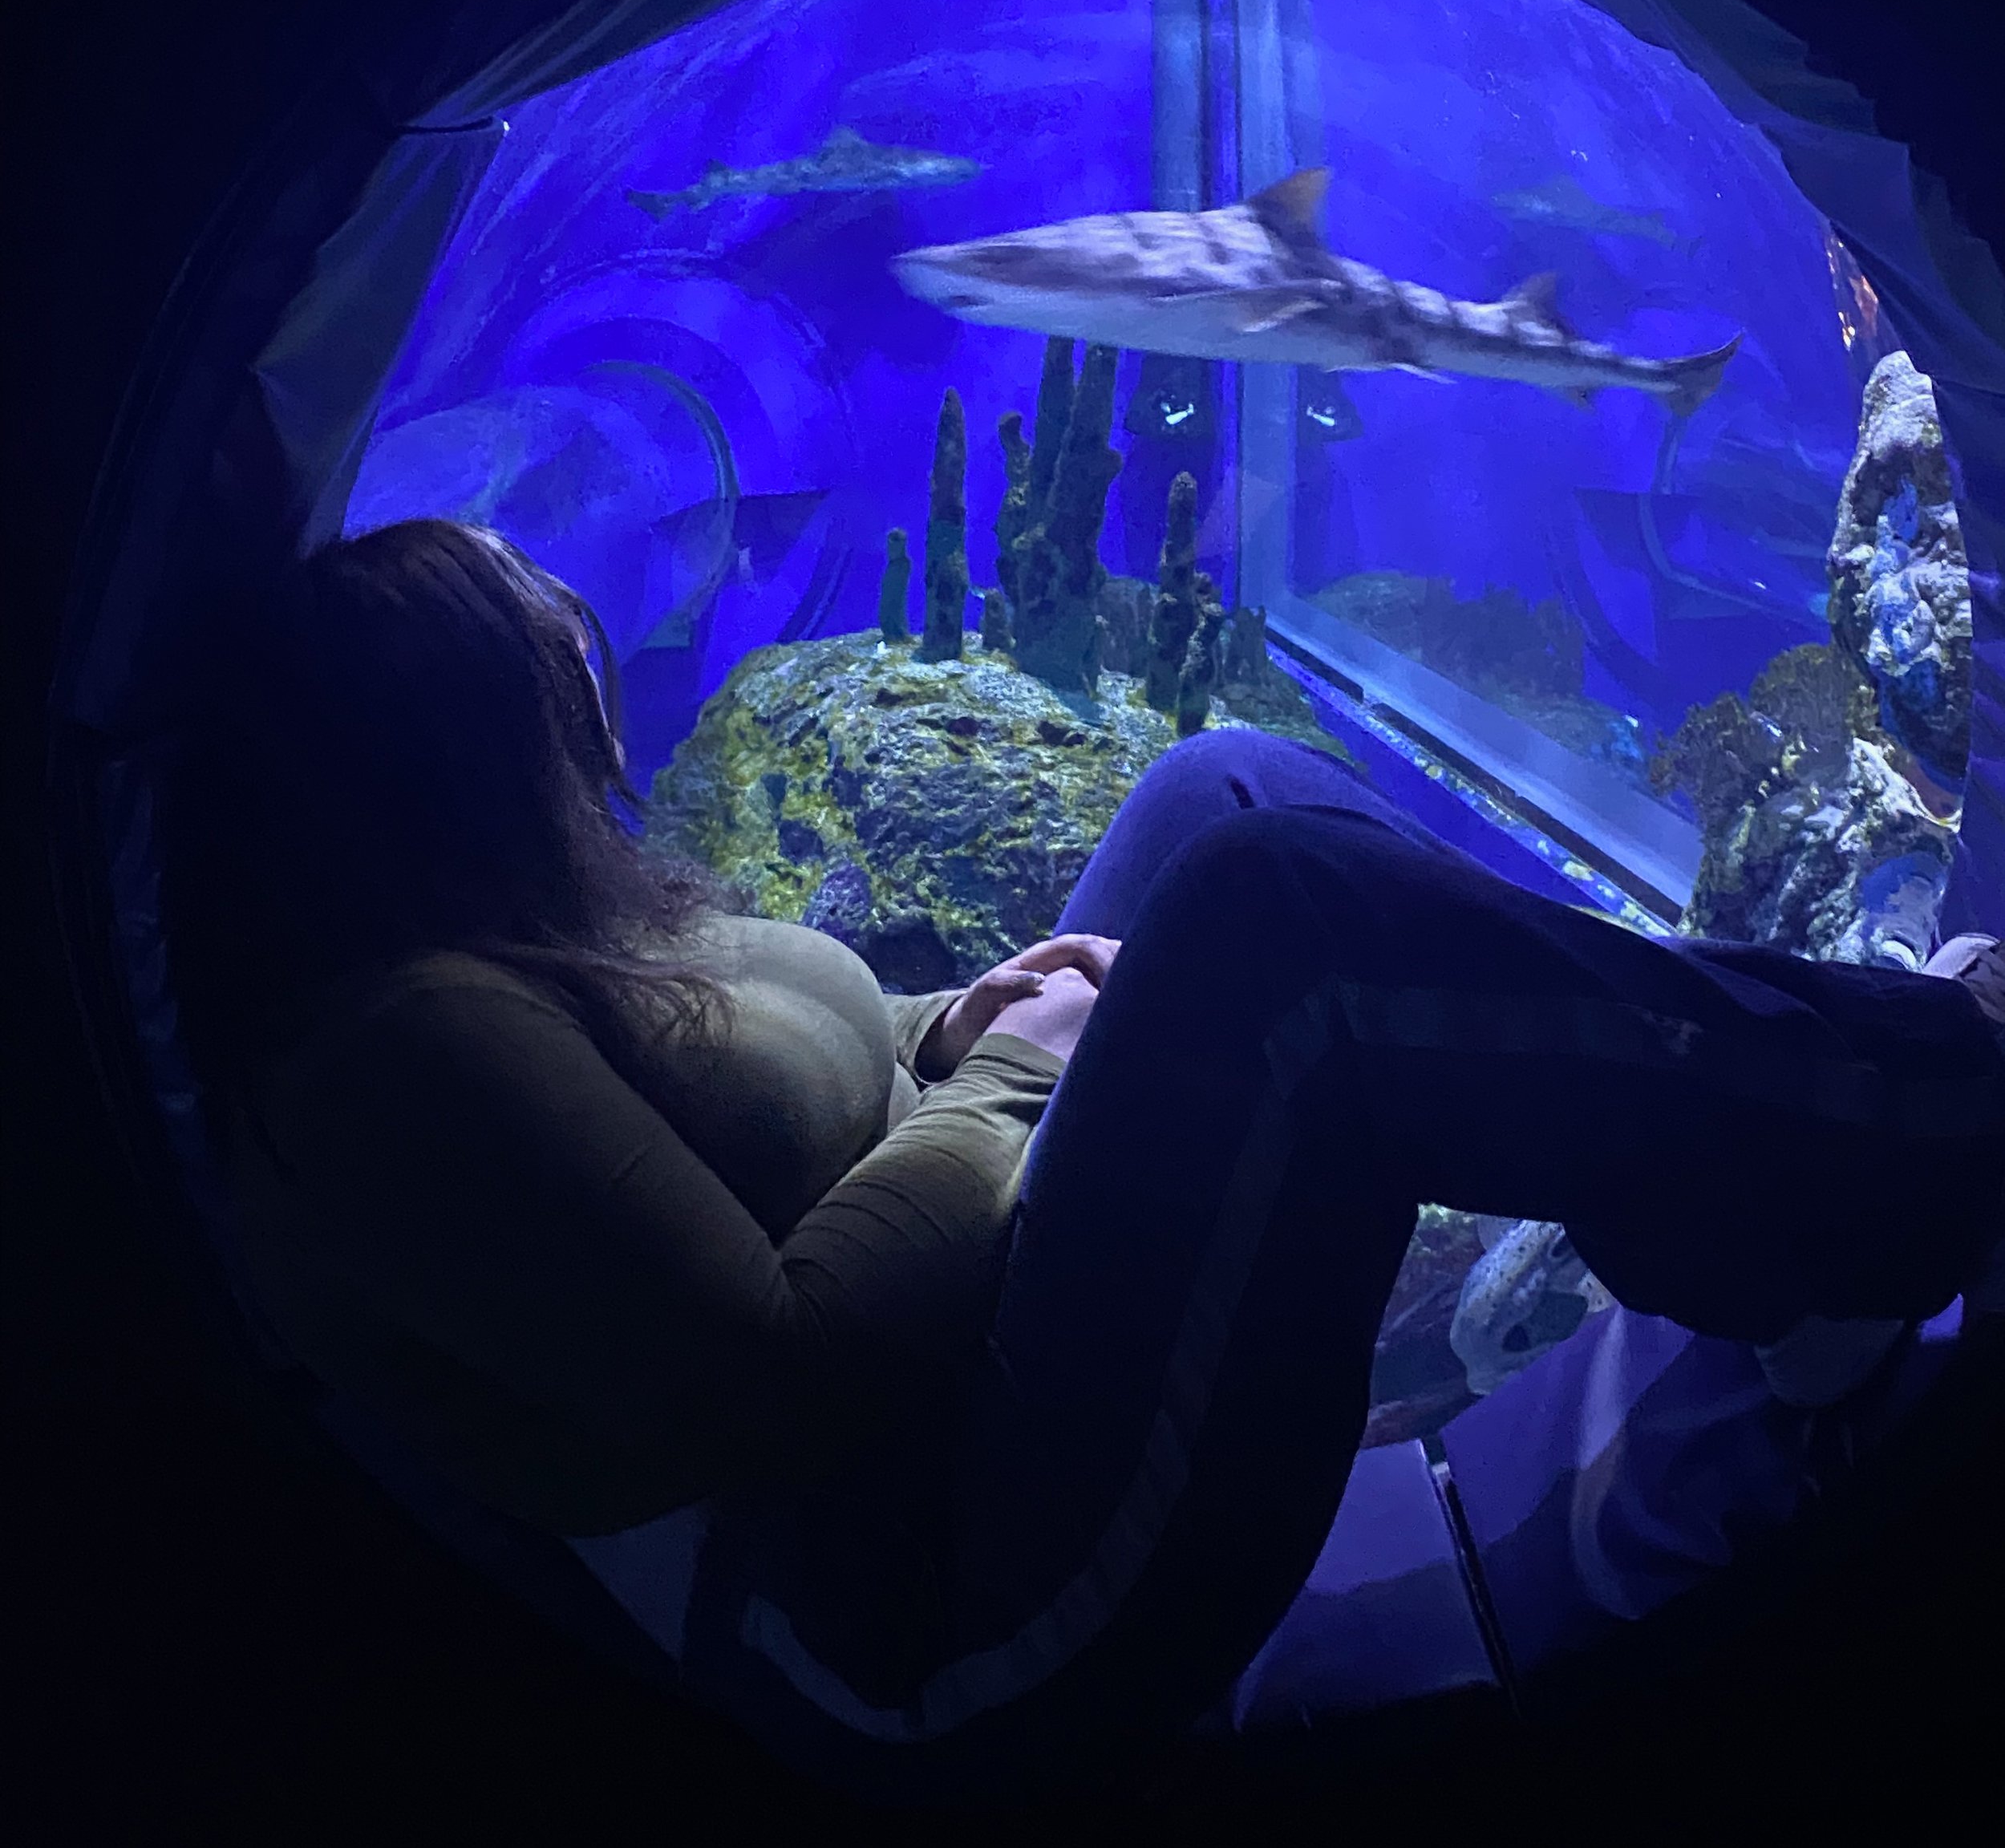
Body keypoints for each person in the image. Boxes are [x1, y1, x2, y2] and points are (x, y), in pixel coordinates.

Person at [162, 517, 2005, 1805]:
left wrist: (959, 1017)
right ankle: (1940, 1097)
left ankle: (1771, 1230)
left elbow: (794, 1067)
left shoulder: (528, 928)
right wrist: (1017, 1087)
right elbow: (770, 1377)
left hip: (965, 1359)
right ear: (443, 737)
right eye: (525, 621)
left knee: (1219, 785)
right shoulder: (395, 1060)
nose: (574, 633)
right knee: (1283, 927)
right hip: (925, 1608)